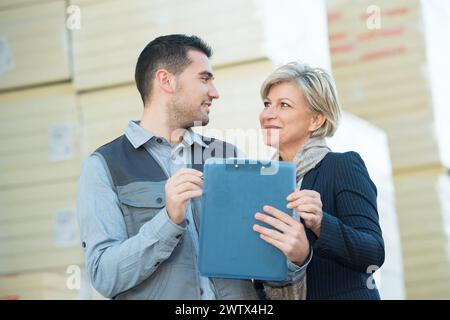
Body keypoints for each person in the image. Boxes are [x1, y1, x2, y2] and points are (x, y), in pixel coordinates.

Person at [76, 34, 310, 299]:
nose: (215, 92)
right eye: (204, 78)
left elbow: (269, 267)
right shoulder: (104, 167)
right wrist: (168, 220)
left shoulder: (227, 155)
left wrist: (297, 257)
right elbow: (104, 276)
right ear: (166, 80)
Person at [253, 62, 385, 299]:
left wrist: (321, 224)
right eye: (267, 104)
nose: (268, 114)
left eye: (284, 105)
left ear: (316, 120)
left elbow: (373, 253)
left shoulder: (342, 166)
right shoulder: (261, 180)